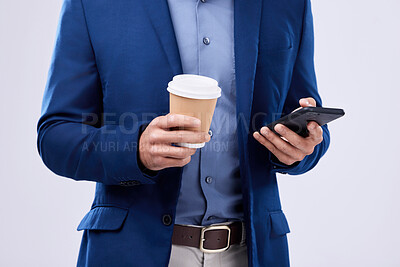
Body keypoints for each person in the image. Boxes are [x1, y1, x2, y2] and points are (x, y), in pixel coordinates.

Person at [37, 0, 330, 266]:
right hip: (133, 252)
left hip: (252, 252)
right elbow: (55, 135)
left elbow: (309, 120)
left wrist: (303, 147)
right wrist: (135, 150)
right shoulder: (93, 5)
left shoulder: (289, 5)